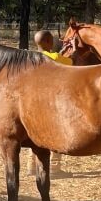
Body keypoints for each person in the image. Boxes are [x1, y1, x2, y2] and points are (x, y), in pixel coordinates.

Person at [31, 30, 69, 174]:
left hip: (34, 102)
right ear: (48, 42)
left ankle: (32, 166)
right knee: (54, 134)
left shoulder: (31, 58)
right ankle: (54, 167)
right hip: (51, 103)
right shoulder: (55, 57)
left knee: (35, 135)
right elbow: (70, 62)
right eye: (52, 40)